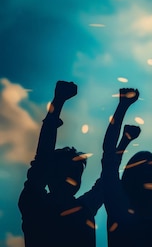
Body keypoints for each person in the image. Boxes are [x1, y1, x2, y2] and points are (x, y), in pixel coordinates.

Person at [18, 81, 103, 247]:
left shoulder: (82, 209)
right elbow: (42, 158)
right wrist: (58, 102)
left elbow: (108, 179)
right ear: (50, 175)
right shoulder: (35, 205)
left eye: (75, 173)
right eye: (66, 172)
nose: (70, 178)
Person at [101, 88, 152, 247]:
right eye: (142, 168)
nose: (147, 172)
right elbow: (108, 158)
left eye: (151, 168)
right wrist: (122, 106)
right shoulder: (119, 200)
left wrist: (123, 106)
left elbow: (109, 159)